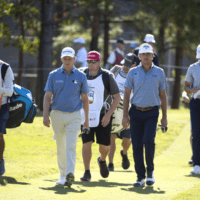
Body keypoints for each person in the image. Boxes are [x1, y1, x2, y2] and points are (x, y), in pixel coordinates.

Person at [122, 43, 168, 187]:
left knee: (148, 141)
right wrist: (125, 116)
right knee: (136, 144)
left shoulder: (159, 72)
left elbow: (163, 96)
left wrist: (164, 117)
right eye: (144, 54)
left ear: (153, 56)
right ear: (139, 56)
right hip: (135, 112)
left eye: (149, 54)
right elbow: (127, 95)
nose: (146, 57)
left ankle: (150, 173)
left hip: (152, 112)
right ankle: (140, 176)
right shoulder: (133, 72)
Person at [43, 47, 89, 187]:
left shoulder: (81, 76)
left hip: (74, 115)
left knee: (71, 145)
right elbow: (47, 96)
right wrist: (45, 115)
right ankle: (62, 175)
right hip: (57, 114)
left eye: (70, 59)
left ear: (74, 59)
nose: (67, 61)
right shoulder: (53, 75)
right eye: (65, 59)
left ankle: (70, 173)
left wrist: (86, 120)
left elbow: (85, 99)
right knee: (61, 146)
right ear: (61, 59)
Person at [79, 51, 121, 181]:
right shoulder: (81, 74)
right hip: (85, 115)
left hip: (103, 115)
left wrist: (108, 115)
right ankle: (87, 172)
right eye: (89, 61)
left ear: (99, 62)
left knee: (105, 147)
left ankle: (102, 160)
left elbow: (117, 98)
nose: (91, 64)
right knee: (87, 142)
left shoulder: (107, 76)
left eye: (94, 62)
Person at [108, 53, 137, 171]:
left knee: (127, 140)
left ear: (135, 65)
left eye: (129, 65)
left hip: (127, 110)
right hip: (113, 108)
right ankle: (110, 163)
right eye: (125, 64)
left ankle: (124, 153)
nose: (125, 67)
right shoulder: (115, 70)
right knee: (111, 137)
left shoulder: (136, 75)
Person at [184, 44, 200, 175]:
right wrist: (191, 90)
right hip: (195, 102)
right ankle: (196, 164)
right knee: (195, 133)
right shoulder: (192, 68)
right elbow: (186, 86)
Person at [0, 60, 14, 176]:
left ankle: (0, 161)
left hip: (2, 106)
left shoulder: (4, 68)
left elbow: (9, 92)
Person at [182, 91, 193, 165]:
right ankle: (195, 154)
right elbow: (185, 91)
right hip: (195, 109)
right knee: (194, 134)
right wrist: (185, 96)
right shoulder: (193, 79)